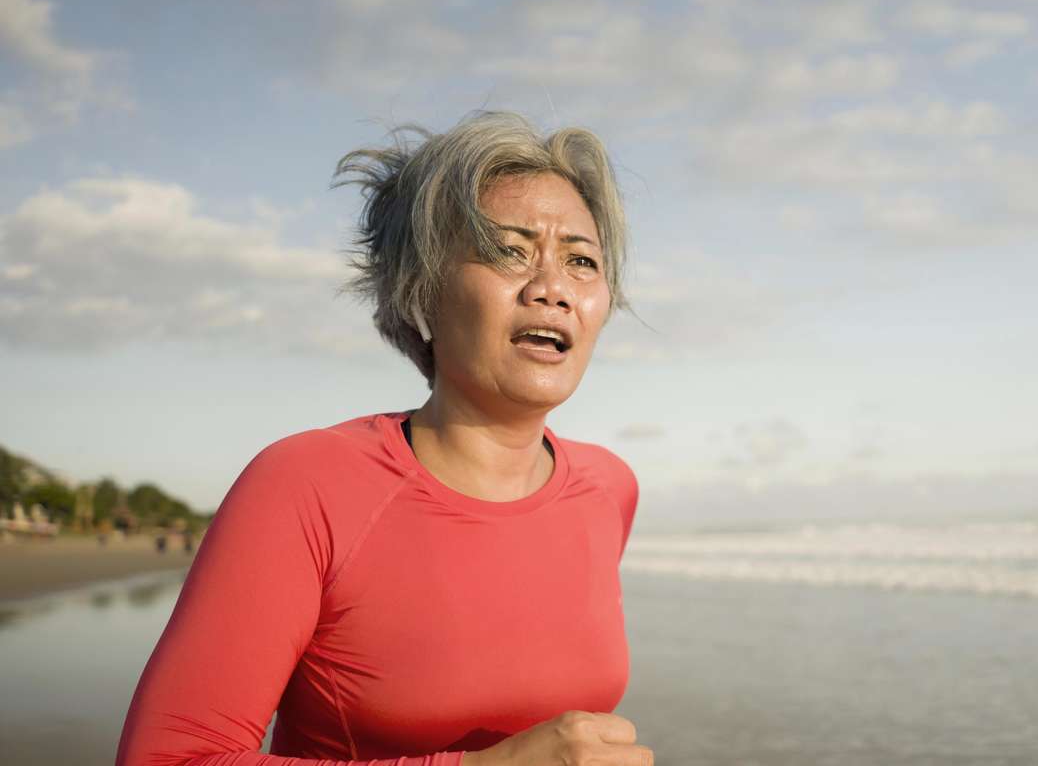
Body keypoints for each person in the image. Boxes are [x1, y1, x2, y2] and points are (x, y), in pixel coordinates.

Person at [115, 112, 652, 766]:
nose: (553, 289)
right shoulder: (305, 484)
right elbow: (170, 756)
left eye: (581, 260)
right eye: (508, 251)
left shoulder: (610, 488)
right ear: (421, 291)